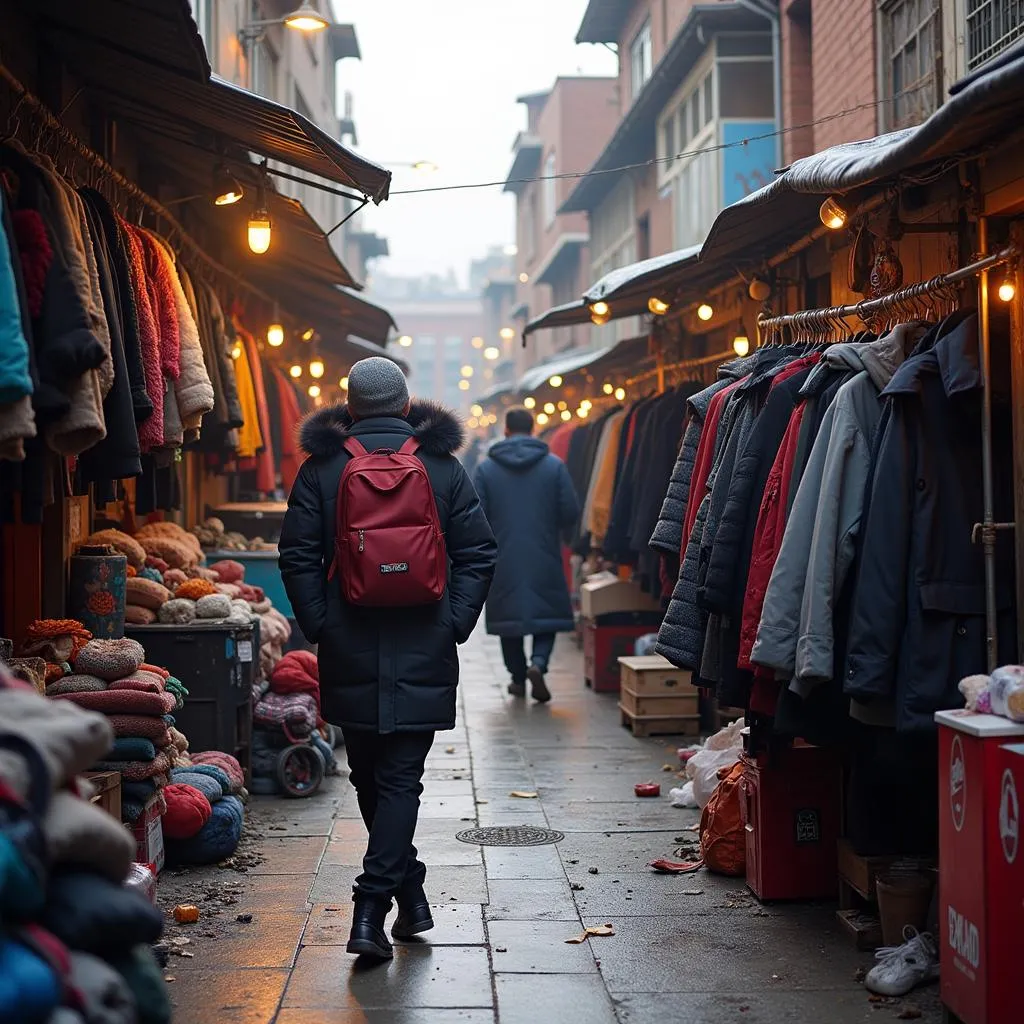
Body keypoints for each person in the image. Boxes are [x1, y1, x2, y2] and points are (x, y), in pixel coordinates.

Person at [279, 357, 496, 961]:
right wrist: (453, 621)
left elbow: (295, 555)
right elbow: (479, 552)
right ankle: (407, 890)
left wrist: (321, 624)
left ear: (350, 408)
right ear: (406, 406)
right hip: (426, 639)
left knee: (373, 778)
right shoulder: (443, 467)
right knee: (396, 780)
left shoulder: (320, 470)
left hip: (348, 641)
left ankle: (370, 908)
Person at [473, 406, 579, 702]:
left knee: (510, 619)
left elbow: (475, 514)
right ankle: (539, 664)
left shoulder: (486, 468)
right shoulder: (553, 465)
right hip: (543, 550)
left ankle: (518, 678)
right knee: (546, 614)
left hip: (502, 555)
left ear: (506, 430)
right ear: (533, 430)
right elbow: (570, 509)